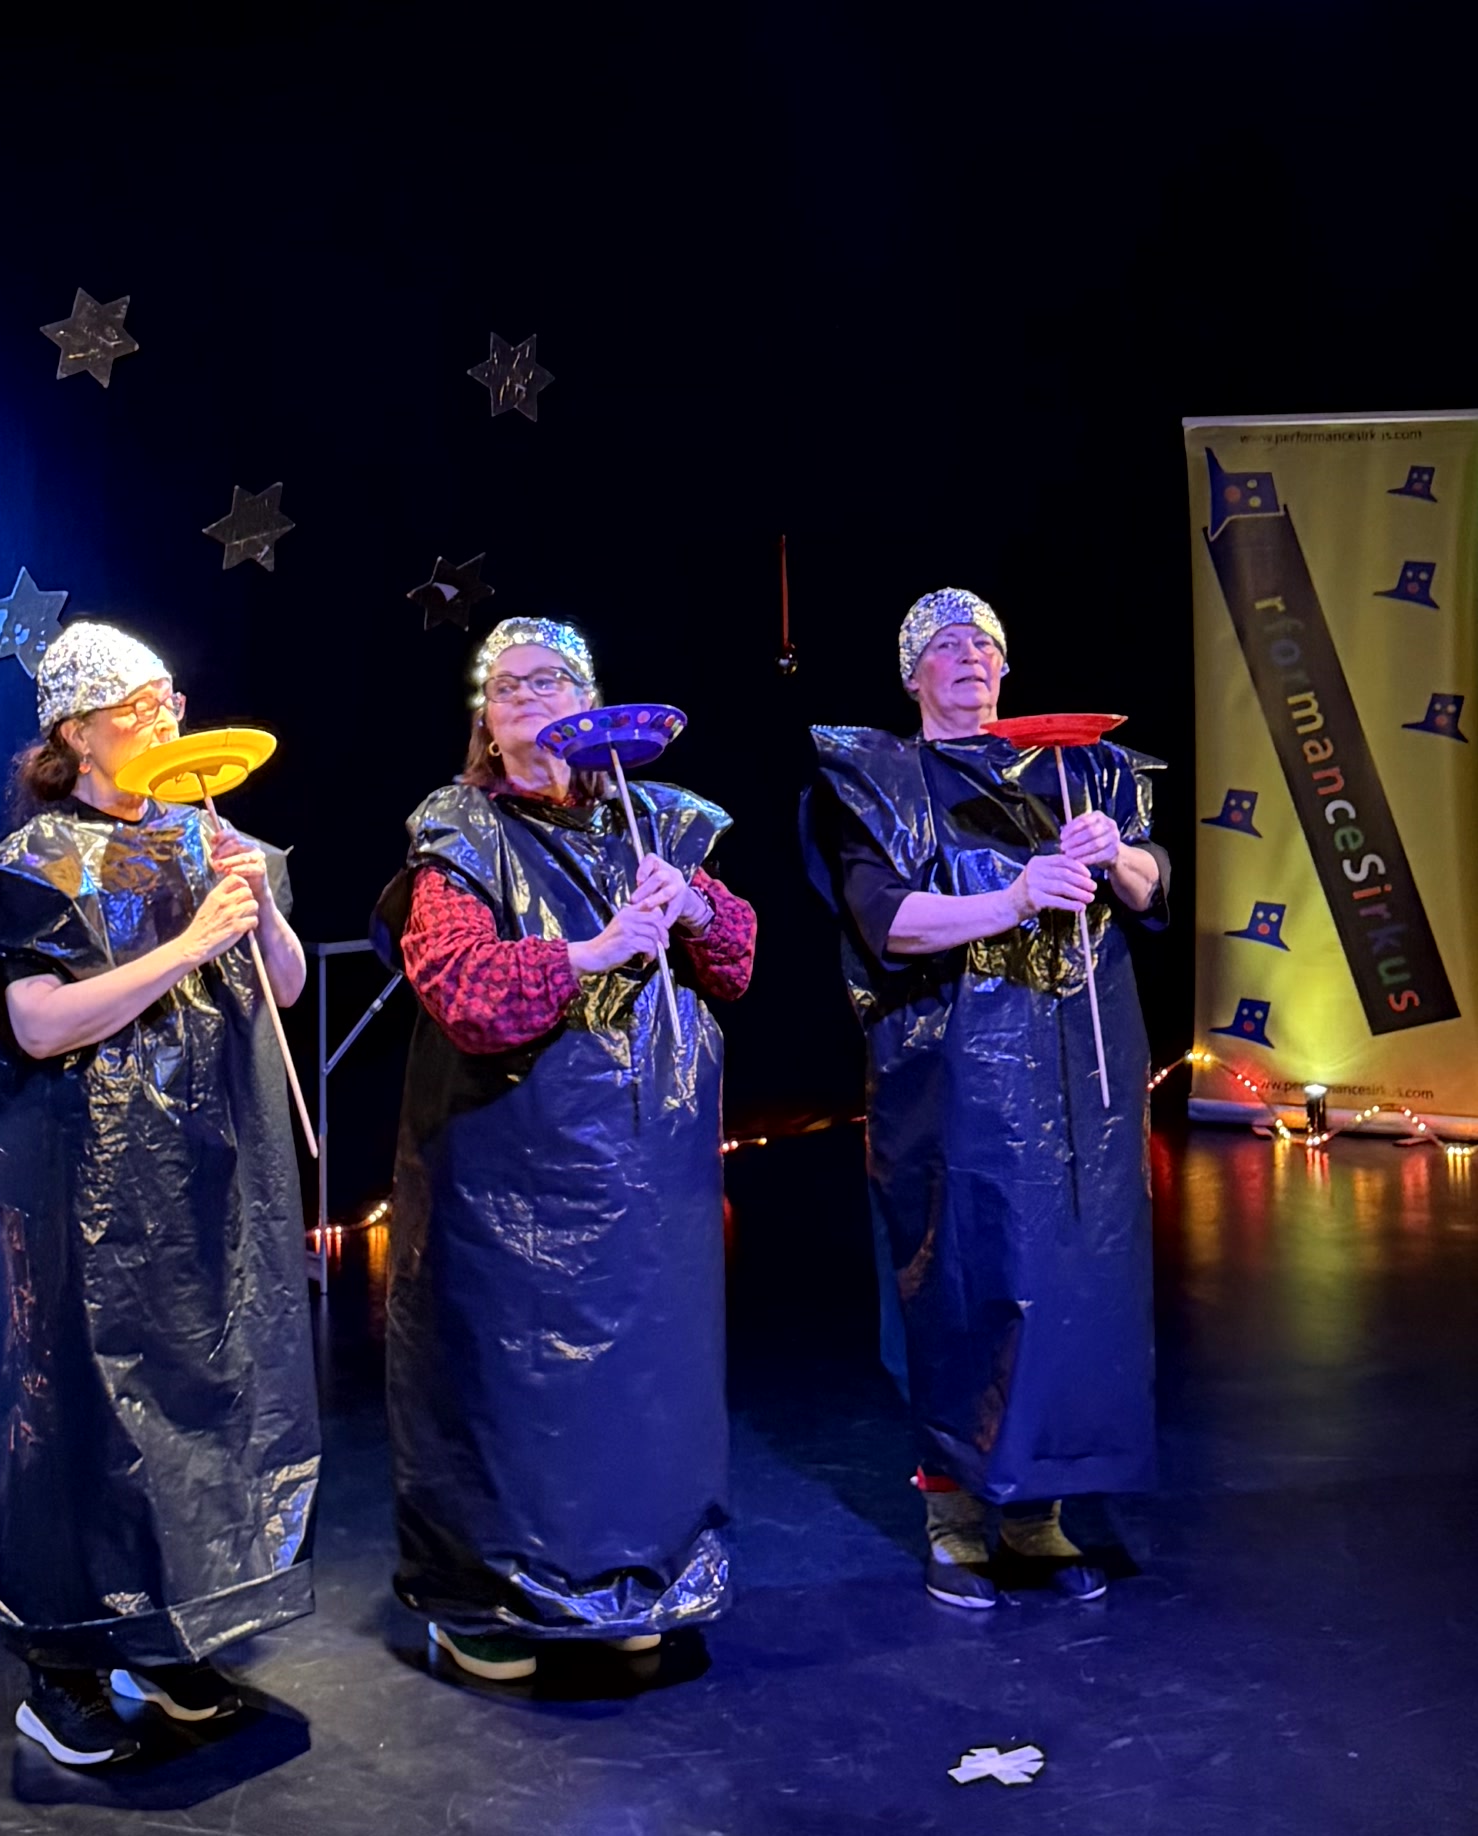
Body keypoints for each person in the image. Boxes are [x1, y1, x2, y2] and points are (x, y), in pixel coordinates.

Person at [0, 622, 320, 1766]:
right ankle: (61, 1665)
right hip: (88, 1189)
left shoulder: (211, 837)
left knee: (200, 1394)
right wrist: (190, 943)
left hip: (212, 1179)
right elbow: (36, 1023)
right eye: (136, 705)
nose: (164, 718)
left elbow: (286, 989)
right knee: (85, 1410)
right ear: (76, 733)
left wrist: (258, 910)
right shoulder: (39, 858)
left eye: (169, 698)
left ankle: (165, 1634)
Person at [373, 616, 756, 1682]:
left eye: (553, 680)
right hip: (509, 1173)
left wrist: (690, 904)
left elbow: (737, 962)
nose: (532, 698)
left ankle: (630, 1577)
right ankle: (488, 1601)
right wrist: (590, 951)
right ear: (485, 724)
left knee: (641, 1379)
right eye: (509, 687)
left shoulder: (657, 821)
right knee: (516, 1386)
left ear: (591, 703)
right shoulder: (460, 830)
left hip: (647, 1169)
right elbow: (459, 990)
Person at [803, 589, 1167, 1609]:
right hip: (951, 1076)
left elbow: (1152, 883)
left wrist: (1113, 855)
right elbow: (887, 921)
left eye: (986, 644)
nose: (970, 656)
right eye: (947, 644)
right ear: (910, 673)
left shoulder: (1081, 769)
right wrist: (1012, 897)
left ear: (1006, 669)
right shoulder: (883, 780)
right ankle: (955, 1515)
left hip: (1078, 1075)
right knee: (960, 1280)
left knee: (1071, 1279)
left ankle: (1036, 1511)